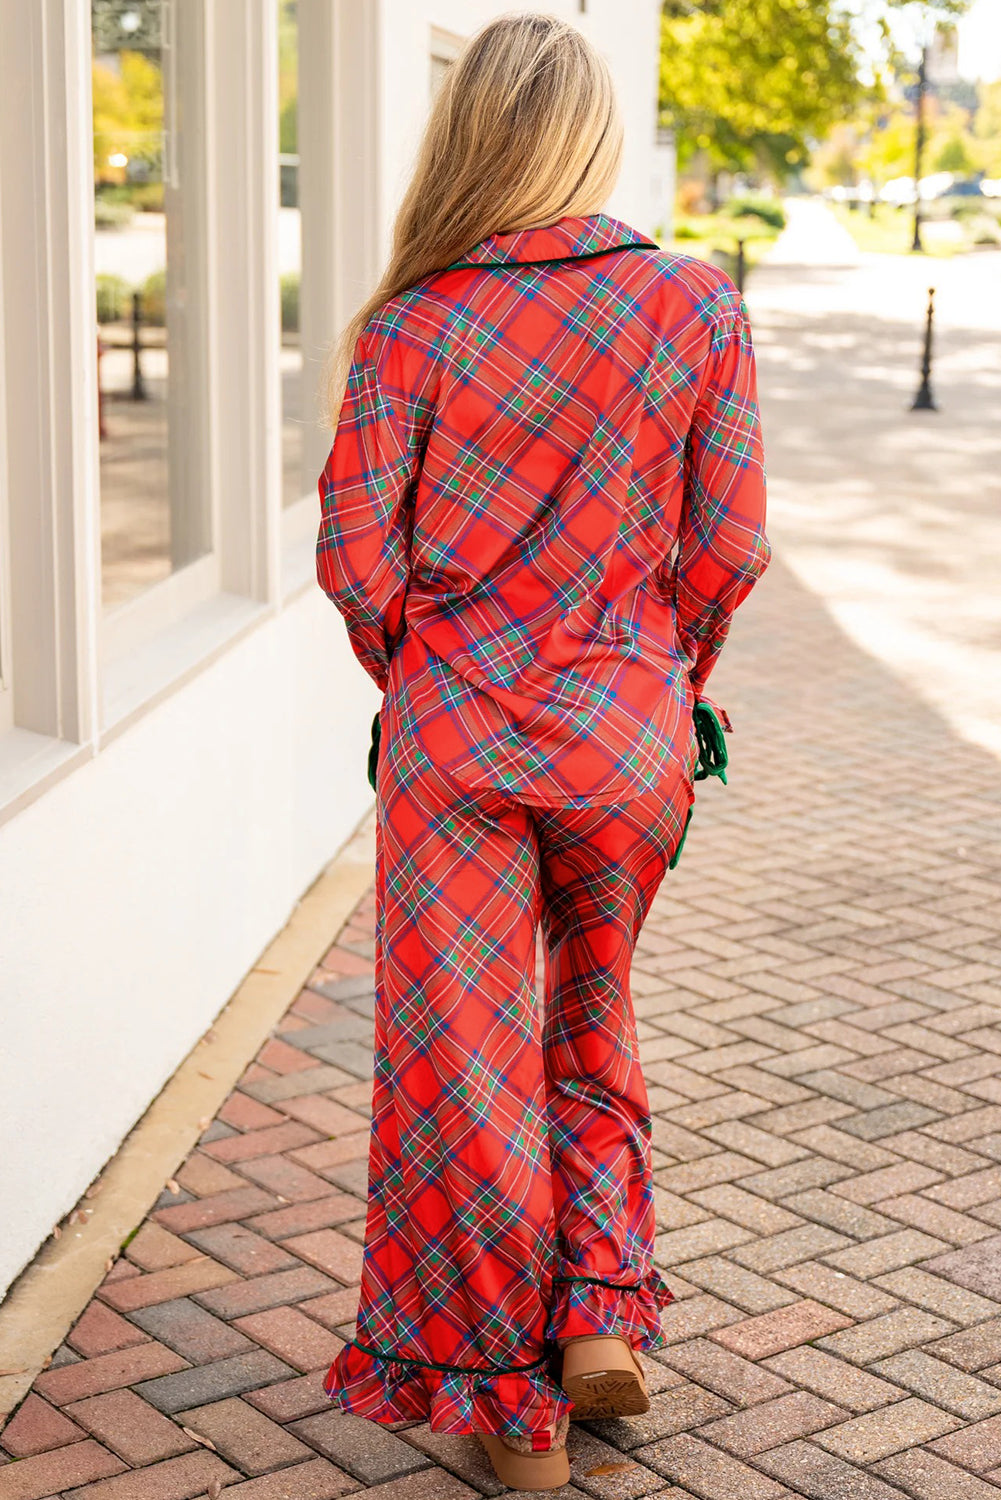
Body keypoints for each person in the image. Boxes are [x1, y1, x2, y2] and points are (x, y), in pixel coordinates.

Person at [314, 11, 770, 1491]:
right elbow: (728, 547)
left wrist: (429, 668)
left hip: (456, 738)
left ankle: (515, 1416)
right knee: (590, 1011)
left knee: (463, 1070)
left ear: (465, 141)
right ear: (591, 138)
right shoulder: (694, 308)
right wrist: (652, 673)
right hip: (623, 734)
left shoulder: (408, 326)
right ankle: (594, 1313)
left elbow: (352, 559)